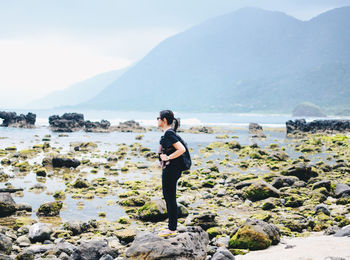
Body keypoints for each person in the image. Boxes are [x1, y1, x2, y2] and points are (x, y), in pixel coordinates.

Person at [157, 110, 186, 237]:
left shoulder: (169, 134)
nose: (157, 120)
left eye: (158, 118)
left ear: (163, 120)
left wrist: (168, 158)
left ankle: (172, 228)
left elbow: (181, 149)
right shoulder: (168, 133)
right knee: (169, 196)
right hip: (171, 169)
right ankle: (171, 225)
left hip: (171, 169)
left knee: (170, 197)